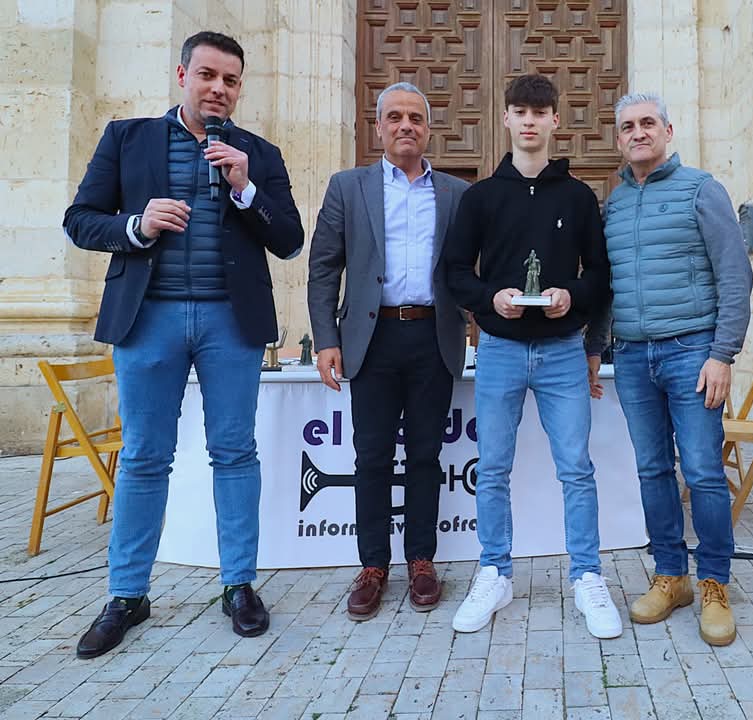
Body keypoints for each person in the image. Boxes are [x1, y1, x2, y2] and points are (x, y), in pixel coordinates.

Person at [63, 31, 304, 658]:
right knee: (145, 456)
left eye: (230, 80)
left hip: (231, 322)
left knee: (235, 451)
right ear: (182, 75)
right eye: (207, 75)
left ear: (239, 88)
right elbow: (80, 219)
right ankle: (127, 595)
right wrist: (136, 225)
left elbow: (289, 240)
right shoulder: (127, 138)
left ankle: (239, 586)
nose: (218, 89)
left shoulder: (259, 153)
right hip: (149, 319)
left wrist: (246, 189)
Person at [444, 74, 621, 639]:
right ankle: (494, 572)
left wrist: (573, 296)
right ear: (505, 118)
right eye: (519, 110)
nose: (529, 121)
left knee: (577, 468)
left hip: (562, 351)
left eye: (539, 112)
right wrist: (488, 300)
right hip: (498, 349)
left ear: (554, 121)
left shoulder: (578, 197)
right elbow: (454, 272)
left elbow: (601, 274)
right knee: (493, 467)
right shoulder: (480, 197)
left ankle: (586, 575)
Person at [585, 92, 752, 646]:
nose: (638, 133)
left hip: (692, 352)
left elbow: (735, 275)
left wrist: (722, 354)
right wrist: (595, 346)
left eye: (648, 123)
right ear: (618, 139)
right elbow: (607, 286)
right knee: (652, 469)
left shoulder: (701, 190)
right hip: (633, 356)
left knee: (702, 471)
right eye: (627, 126)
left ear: (667, 130)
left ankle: (714, 583)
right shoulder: (614, 205)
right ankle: (671, 575)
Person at [308, 82, 469, 621]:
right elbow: (324, 267)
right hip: (371, 341)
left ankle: (421, 560)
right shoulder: (347, 187)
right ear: (378, 127)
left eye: (415, 118)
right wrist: (326, 339)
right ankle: (373, 565)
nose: (406, 126)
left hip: (432, 337)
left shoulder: (455, 193)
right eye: (395, 117)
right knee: (372, 457)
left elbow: (473, 267)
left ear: (428, 129)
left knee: (425, 455)